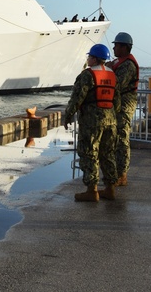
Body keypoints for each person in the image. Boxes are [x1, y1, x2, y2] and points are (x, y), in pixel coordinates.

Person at [63, 43, 119, 202]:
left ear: (94, 58)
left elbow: (77, 98)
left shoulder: (87, 75)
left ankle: (92, 190)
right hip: (111, 118)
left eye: (89, 56)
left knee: (89, 153)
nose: (88, 58)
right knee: (108, 153)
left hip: (92, 121)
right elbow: (117, 99)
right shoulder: (112, 75)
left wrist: (68, 115)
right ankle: (110, 189)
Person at [109, 32, 140, 187]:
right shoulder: (119, 62)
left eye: (116, 45)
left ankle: (122, 174)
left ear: (124, 47)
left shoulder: (127, 65)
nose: (113, 48)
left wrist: (108, 71)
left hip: (124, 103)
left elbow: (117, 84)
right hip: (119, 103)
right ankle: (117, 172)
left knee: (122, 138)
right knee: (116, 138)